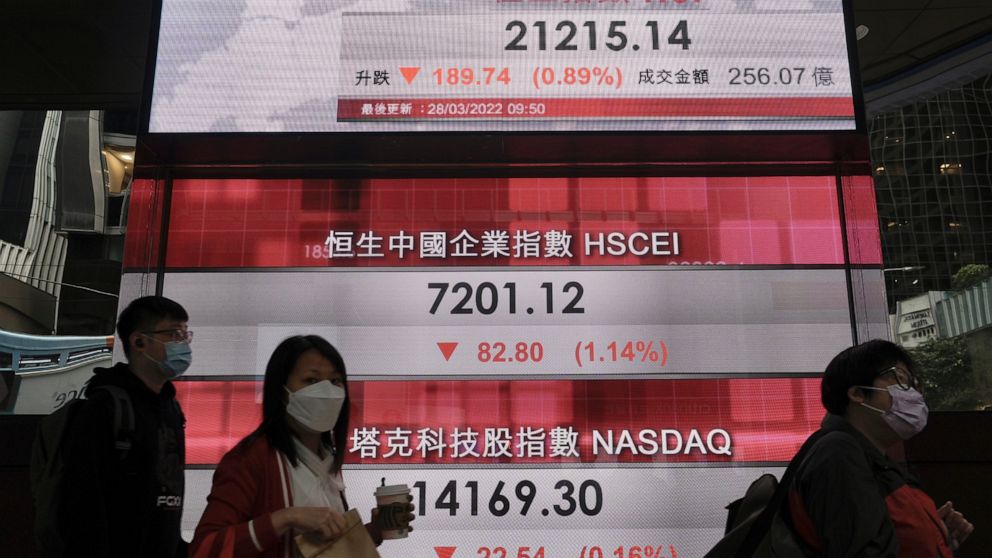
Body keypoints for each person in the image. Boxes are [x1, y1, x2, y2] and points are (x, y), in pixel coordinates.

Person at [191, 335, 414, 558]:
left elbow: (323, 550)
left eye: (335, 381)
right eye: (311, 380)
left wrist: (374, 532)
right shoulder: (251, 458)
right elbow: (204, 549)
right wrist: (285, 518)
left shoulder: (327, 458)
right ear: (281, 392)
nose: (327, 392)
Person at [785, 339, 974, 557]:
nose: (913, 394)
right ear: (857, 393)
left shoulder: (875, 460)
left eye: (913, 384)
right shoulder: (838, 453)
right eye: (900, 378)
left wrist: (934, 537)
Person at [60, 295, 191, 557]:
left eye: (186, 334)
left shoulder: (171, 409)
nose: (184, 343)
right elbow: (82, 504)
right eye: (174, 334)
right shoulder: (105, 407)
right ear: (139, 341)